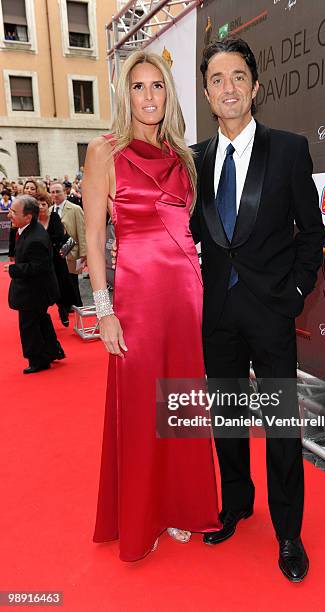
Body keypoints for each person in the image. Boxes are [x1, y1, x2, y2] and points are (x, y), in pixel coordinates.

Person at [190, 39, 325, 582]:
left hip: (271, 315)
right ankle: (237, 504)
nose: (229, 87)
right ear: (206, 92)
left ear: (256, 86)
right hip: (217, 315)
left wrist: (292, 297)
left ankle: (288, 532)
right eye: (218, 79)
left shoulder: (289, 149)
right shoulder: (194, 159)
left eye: (238, 76)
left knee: (281, 428)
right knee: (227, 419)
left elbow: (312, 235)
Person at [82, 49, 220, 562]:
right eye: (138, 87)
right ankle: (144, 516)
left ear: (169, 94)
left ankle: (182, 508)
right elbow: (95, 237)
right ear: (125, 94)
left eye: (157, 86)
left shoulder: (184, 156)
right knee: (143, 408)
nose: (148, 96)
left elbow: (193, 234)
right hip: (136, 299)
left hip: (186, 295)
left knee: (181, 407)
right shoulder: (106, 152)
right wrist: (103, 308)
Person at [4, 195, 65, 373]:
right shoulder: (27, 230)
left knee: (29, 325)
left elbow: (40, 267)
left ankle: (38, 360)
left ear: (28, 217)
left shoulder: (36, 238)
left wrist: (15, 269)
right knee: (40, 320)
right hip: (34, 290)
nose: (9, 215)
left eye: (14, 212)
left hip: (35, 292)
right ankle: (51, 351)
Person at [37, 192, 76, 326]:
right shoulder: (33, 220)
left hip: (56, 258)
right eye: (38, 204)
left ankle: (62, 309)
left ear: (48, 205)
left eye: (44, 204)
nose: (41, 207)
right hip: (40, 260)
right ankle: (41, 315)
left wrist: (44, 242)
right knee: (41, 287)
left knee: (59, 285)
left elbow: (59, 235)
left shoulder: (54, 217)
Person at [49, 181, 87, 307]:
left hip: (72, 251)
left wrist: (84, 254)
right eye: (52, 192)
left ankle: (77, 306)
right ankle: (66, 307)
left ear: (65, 192)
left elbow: (82, 232)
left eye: (58, 191)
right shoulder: (49, 211)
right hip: (56, 254)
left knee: (73, 282)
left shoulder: (75, 209)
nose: (55, 195)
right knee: (59, 282)